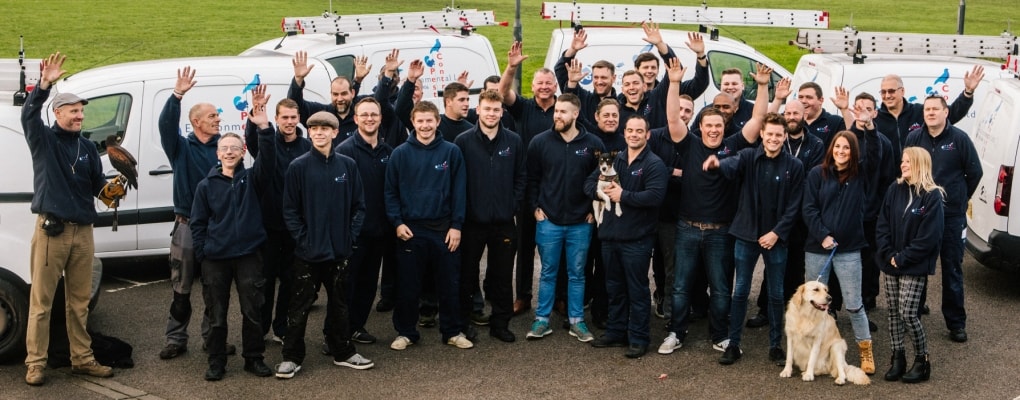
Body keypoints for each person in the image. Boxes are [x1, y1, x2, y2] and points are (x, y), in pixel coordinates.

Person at [657, 63, 772, 357]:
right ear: (700, 127)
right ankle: (676, 332)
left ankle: (720, 335)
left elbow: (758, 119)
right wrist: (674, 83)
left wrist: (762, 86)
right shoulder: (689, 145)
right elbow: (672, 118)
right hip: (687, 228)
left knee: (721, 288)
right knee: (681, 286)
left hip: (721, 231)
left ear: (724, 127)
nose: (713, 130)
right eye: (708, 125)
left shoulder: (734, 145)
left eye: (718, 126)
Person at [22, 52, 119, 386]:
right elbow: (29, 115)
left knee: (79, 303)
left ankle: (82, 359)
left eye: (81, 111)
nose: (80, 116)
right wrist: (43, 85)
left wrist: (111, 191)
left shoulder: (88, 148)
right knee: (42, 304)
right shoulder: (44, 140)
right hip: (52, 232)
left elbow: (98, 187)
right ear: (58, 113)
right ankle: (35, 363)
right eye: (74, 111)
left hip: (83, 233)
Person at [277, 111, 373, 378]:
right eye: (314, 129)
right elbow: (290, 211)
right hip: (308, 254)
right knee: (299, 306)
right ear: (309, 133)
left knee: (341, 304)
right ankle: (291, 357)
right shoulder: (298, 167)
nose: (319, 133)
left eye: (324, 129)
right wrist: (304, 240)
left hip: (340, 252)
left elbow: (359, 206)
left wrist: (349, 237)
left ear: (335, 132)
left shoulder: (347, 166)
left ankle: (343, 352)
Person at [704, 112, 804, 365]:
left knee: (776, 295)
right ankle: (734, 344)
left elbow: (795, 206)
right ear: (762, 134)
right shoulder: (748, 157)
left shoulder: (794, 166)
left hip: (776, 239)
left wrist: (777, 233)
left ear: (784, 136)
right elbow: (731, 163)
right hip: (746, 235)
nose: (773, 138)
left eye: (778, 135)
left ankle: (775, 346)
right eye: (769, 134)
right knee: (740, 292)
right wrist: (717, 163)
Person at [384, 101, 472, 351]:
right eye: (420, 121)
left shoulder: (451, 152)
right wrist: (397, 222)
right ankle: (406, 332)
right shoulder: (400, 153)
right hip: (411, 230)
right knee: (408, 285)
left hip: (444, 229)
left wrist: (456, 226)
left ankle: (452, 331)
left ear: (437, 121)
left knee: (449, 283)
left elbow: (459, 192)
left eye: (429, 120)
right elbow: (390, 192)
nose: (425, 125)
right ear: (413, 122)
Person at [584, 113, 668, 358]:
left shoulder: (653, 163)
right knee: (614, 288)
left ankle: (639, 338)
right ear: (625, 133)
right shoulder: (615, 159)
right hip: (610, 237)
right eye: (630, 130)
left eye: (639, 131)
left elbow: (655, 196)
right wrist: (601, 194)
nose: (634, 134)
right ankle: (616, 332)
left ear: (647, 134)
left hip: (637, 239)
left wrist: (624, 196)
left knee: (637, 290)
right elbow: (588, 184)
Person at [190, 129, 271, 381]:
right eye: (224, 148)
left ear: (243, 152)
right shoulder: (205, 186)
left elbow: (268, 158)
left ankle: (254, 358)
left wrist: (264, 129)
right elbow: (198, 223)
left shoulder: (253, 179)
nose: (229, 152)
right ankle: (216, 361)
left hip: (248, 255)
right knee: (216, 314)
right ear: (217, 153)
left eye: (234, 148)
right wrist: (203, 253)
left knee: (252, 311)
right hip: (216, 259)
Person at [524, 93, 606, 342]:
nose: (557, 116)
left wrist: (593, 211)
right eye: (556, 111)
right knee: (548, 273)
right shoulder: (540, 142)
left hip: (581, 223)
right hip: (548, 221)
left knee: (577, 274)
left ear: (575, 114)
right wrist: (534, 208)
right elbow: (531, 179)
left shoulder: (593, 144)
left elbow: (601, 180)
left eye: (562, 112)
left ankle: (577, 321)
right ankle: (541, 320)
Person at [157, 65, 226, 361]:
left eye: (217, 116)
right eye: (212, 116)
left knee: (214, 288)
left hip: (216, 228)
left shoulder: (225, 150)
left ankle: (212, 339)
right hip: (186, 227)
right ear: (196, 122)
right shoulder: (180, 149)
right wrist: (176, 96)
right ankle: (175, 339)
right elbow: (165, 125)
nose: (218, 119)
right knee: (181, 289)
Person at [902, 95, 982, 343]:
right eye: (927, 109)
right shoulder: (914, 138)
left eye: (935, 109)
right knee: (918, 264)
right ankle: (915, 311)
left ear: (946, 113)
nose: (930, 113)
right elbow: (906, 170)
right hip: (921, 213)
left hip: (951, 216)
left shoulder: (959, 139)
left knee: (952, 268)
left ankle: (956, 322)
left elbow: (975, 172)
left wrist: (959, 198)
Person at [454, 90, 527, 343]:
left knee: (502, 276)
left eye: (496, 110)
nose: (491, 114)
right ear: (478, 110)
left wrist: (512, 205)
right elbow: (457, 181)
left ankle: (500, 323)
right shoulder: (463, 141)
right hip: (472, 222)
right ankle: (463, 323)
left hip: (503, 222)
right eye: (487, 109)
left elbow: (521, 177)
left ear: (502, 112)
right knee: (466, 275)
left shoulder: (514, 141)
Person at [801, 130, 876, 375]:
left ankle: (865, 350)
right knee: (814, 304)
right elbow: (809, 208)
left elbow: (875, 154)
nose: (841, 152)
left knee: (854, 304)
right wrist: (823, 235)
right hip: (817, 248)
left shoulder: (861, 174)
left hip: (849, 250)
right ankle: (812, 352)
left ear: (854, 152)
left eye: (846, 148)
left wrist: (869, 128)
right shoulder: (817, 174)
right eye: (837, 147)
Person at [243, 93, 310, 346]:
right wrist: (255, 113)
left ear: (299, 118)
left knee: (291, 281)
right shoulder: (267, 143)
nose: (289, 122)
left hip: (295, 228)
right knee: (266, 280)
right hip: (268, 226)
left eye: (293, 117)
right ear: (276, 118)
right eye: (285, 117)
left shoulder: (307, 147)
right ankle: (261, 329)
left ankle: (281, 327)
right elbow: (253, 138)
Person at [876, 147, 945, 383]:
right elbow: (882, 225)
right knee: (893, 313)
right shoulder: (894, 189)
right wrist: (889, 254)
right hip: (890, 262)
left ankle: (922, 360)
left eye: (908, 161)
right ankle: (898, 358)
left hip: (913, 265)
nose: (903, 165)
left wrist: (903, 257)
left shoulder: (932, 196)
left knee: (907, 313)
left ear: (920, 164)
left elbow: (929, 237)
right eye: (902, 161)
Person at [498, 41, 556, 316]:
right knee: (524, 246)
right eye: (539, 83)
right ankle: (523, 296)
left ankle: (558, 298)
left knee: (556, 247)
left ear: (555, 86)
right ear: (532, 86)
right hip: (526, 186)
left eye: (548, 83)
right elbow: (502, 93)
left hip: (555, 186)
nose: (544, 87)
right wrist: (511, 68)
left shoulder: (563, 109)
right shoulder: (523, 107)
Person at [336, 97, 395, 346]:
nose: (369, 119)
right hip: (353, 233)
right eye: (364, 115)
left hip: (380, 232)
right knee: (346, 285)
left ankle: (356, 327)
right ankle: (337, 334)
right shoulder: (344, 151)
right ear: (356, 119)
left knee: (369, 284)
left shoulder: (388, 152)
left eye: (374, 114)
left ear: (380, 118)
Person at [876, 66, 984, 155]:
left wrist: (968, 92)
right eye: (883, 92)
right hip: (889, 175)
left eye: (891, 91)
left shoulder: (919, 112)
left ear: (902, 91)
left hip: (919, 173)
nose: (887, 96)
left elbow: (953, 113)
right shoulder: (875, 119)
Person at [288, 50, 372, 137]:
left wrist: (358, 81)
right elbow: (294, 105)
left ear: (352, 93)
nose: (339, 99)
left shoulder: (363, 116)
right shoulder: (321, 115)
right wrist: (298, 79)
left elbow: (379, 99)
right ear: (331, 94)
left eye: (343, 94)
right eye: (335, 94)